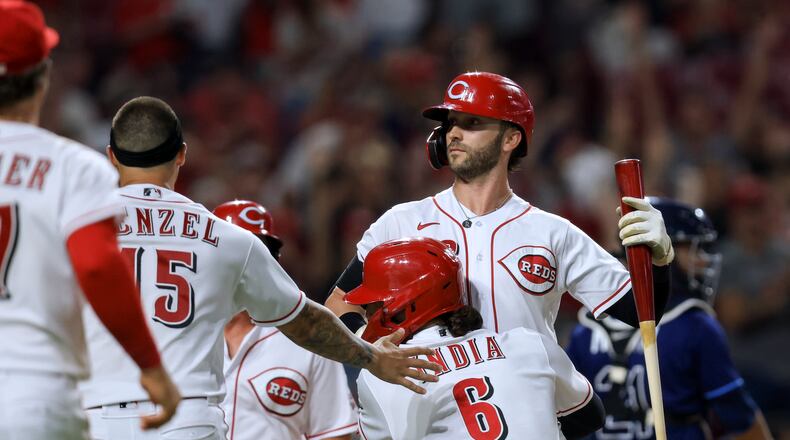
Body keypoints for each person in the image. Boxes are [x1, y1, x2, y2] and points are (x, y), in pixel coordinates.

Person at [326, 71, 674, 428]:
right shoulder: (401, 221)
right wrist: (367, 351)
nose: (454, 133)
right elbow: (340, 305)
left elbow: (639, 311)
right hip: (426, 421)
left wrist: (660, 258)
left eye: (472, 122)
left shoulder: (552, 233)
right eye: (450, 123)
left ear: (511, 138)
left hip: (527, 422)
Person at [81, 96, 440, 439]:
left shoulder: (69, 231)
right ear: (181, 155)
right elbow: (305, 322)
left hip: (91, 417)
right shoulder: (226, 237)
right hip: (186, 419)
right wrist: (371, 357)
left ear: (111, 156)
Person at [0, 2, 180, 438]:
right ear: (44, 76)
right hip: (33, 394)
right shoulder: (73, 166)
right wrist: (151, 367)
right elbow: (97, 265)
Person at [351, 236, 603, 439]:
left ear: (406, 305)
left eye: (374, 303)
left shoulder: (383, 376)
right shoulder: (529, 343)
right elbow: (591, 418)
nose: (367, 312)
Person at [566, 197, 773, 439]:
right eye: (691, 249)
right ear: (657, 248)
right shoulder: (695, 325)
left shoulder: (585, 330)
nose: (703, 260)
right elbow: (740, 418)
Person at [215, 200, 357, 440]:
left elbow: (333, 432)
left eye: (258, 252)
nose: (246, 263)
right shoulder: (184, 329)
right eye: (235, 251)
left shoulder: (310, 340)